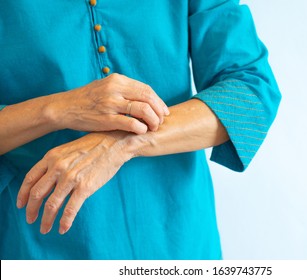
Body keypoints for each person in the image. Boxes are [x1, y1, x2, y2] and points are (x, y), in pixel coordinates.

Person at [0, 0, 281, 259]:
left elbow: (251, 91)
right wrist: (59, 109)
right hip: (41, 243)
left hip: (178, 237)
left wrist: (122, 143)